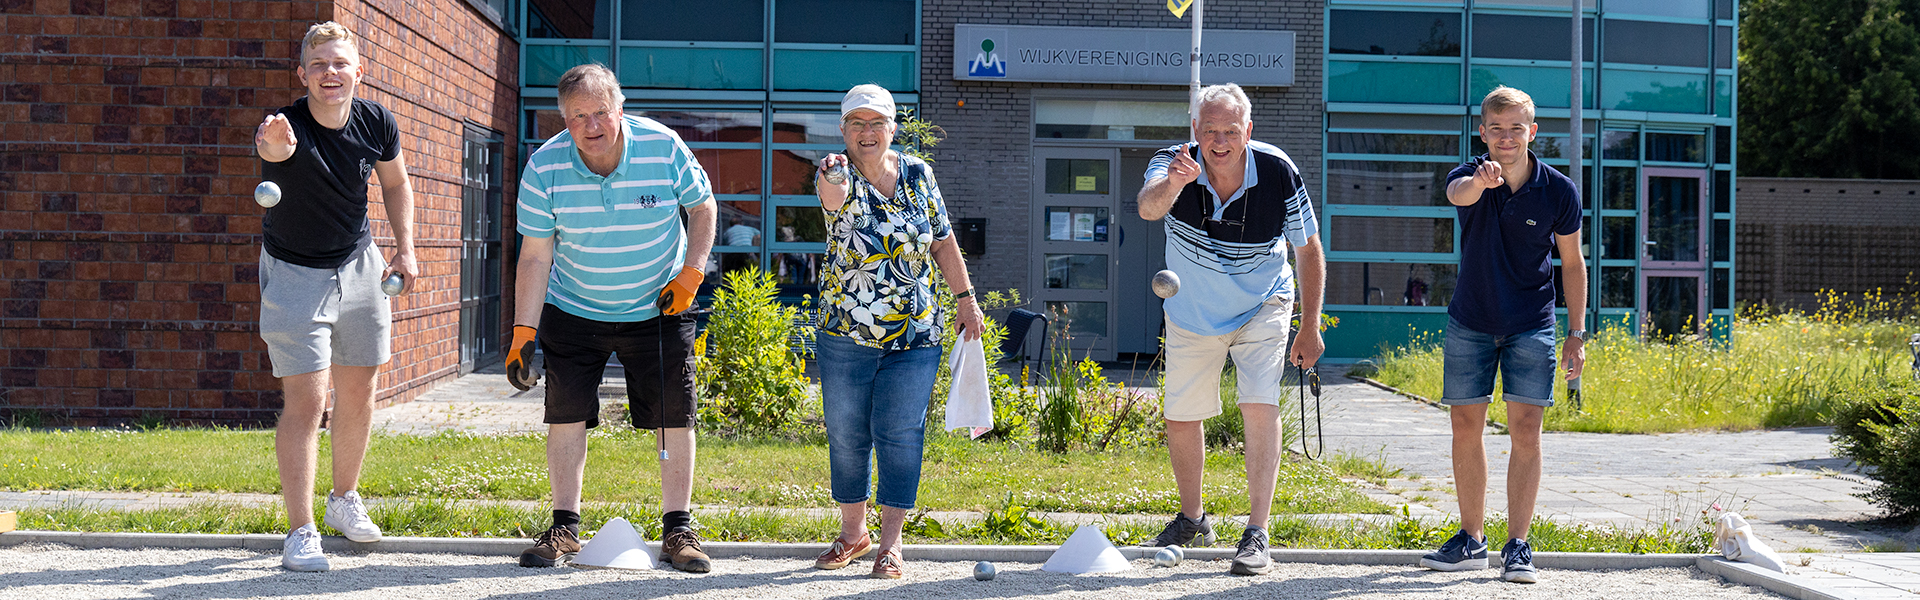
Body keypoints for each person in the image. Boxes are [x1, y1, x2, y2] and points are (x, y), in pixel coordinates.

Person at [506, 63, 719, 573]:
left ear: (619, 109)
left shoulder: (664, 147)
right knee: (565, 413)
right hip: (575, 308)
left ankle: (678, 531)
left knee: (674, 415)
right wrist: (522, 333)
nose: (591, 125)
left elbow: (704, 208)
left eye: (601, 112)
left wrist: (690, 276)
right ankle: (564, 528)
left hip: (659, 307)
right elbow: (535, 256)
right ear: (564, 119)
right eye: (578, 116)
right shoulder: (545, 168)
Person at [1134, 83, 1326, 576]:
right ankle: (1193, 518)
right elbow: (1148, 209)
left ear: (1248, 130)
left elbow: (1307, 249)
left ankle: (1256, 532)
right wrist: (1175, 182)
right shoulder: (1171, 162)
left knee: (1258, 403)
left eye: (1231, 130)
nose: (1220, 141)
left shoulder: (1279, 171)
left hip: (1264, 302)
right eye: (1211, 130)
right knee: (1180, 415)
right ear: (1195, 129)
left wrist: (1310, 326)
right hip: (1192, 310)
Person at [253, 21, 415, 573]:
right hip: (296, 272)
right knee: (306, 402)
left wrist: (406, 250)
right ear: (303, 73)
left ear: (358, 71)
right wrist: (273, 150)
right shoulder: (284, 126)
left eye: (340, 63)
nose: (330, 73)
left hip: (361, 263)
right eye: (319, 64)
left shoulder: (376, 122)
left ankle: (344, 499)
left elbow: (396, 183)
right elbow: (271, 153)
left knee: (360, 388)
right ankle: (300, 531)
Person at [808, 84, 985, 579]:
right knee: (846, 435)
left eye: (876, 123)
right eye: (856, 124)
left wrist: (966, 299)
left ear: (892, 127)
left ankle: (890, 544)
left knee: (900, 434)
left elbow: (944, 240)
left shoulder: (918, 174)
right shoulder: (835, 173)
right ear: (843, 131)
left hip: (916, 334)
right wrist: (832, 181)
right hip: (845, 334)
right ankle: (852, 535)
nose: (867, 133)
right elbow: (832, 198)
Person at [1418, 86, 1586, 584]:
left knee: (1526, 433)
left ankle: (1518, 546)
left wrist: (1576, 332)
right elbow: (1456, 196)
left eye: (1517, 128)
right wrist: (1481, 183)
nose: (1506, 138)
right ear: (1482, 132)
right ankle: (1471, 540)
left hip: (1531, 323)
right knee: (1465, 430)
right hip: (1470, 320)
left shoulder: (1559, 191)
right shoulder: (1466, 175)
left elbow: (1573, 265)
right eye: (1497, 128)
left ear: (1533, 132)